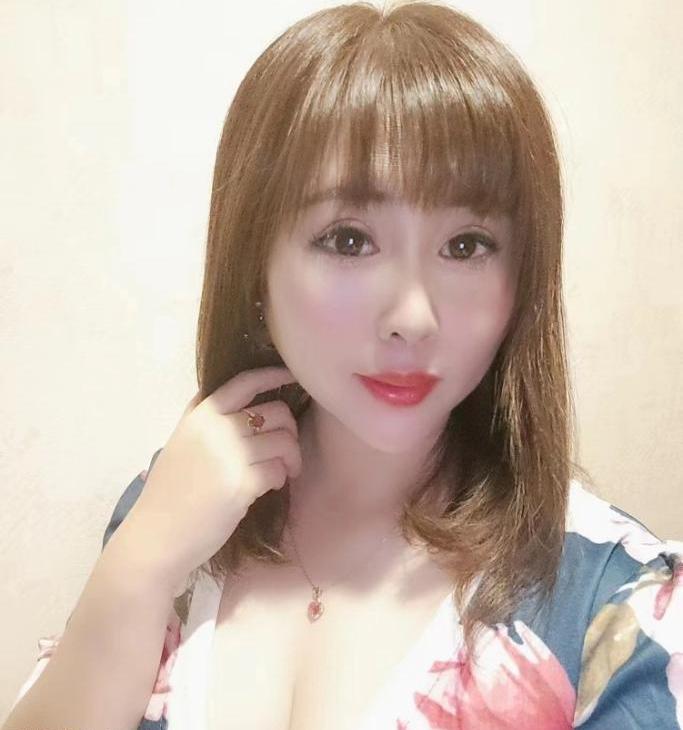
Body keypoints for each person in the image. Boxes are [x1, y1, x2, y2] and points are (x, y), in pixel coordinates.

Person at [4, 1, 682, 729]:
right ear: (254, 269)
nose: (412, 317)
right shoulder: (175, 505)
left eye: (466, 246)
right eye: (349, 239)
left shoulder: (619, 606)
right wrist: (137, 569)